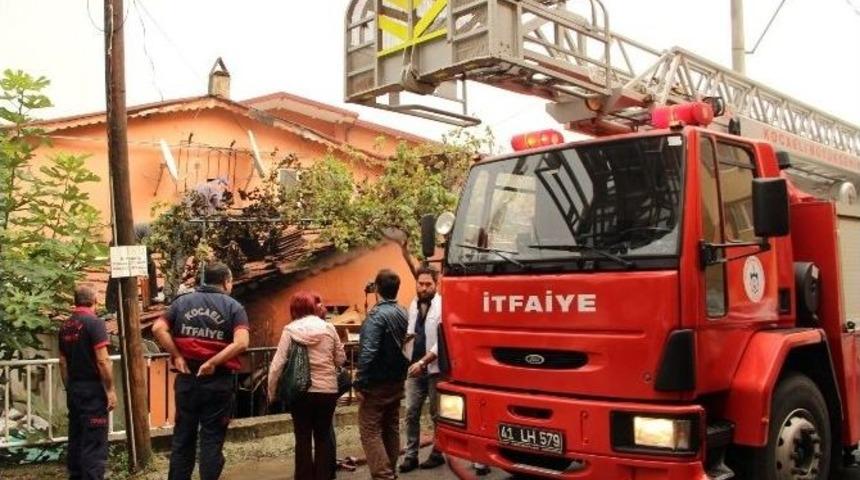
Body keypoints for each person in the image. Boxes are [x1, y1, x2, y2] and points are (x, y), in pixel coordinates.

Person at [152, 262, 249, 480]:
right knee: (211, 440)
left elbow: (158, 328)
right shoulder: (234, 307)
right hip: (218, 381)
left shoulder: (181, 303)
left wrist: (177, 355)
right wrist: (214, 362)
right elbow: (242, 343)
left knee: (182, 438)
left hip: (187, 378)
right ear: (226, 281)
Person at [267, 291, 346, 480]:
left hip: (300, 392)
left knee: (302, 437)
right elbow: (341, 358)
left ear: (294, 309)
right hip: (327, 391)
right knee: (323, 436)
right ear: (312, 307)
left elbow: (277, 365)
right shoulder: (329, 328)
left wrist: (272, 392)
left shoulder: (290, 330)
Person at [355, 269, 409, 480]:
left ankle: (383, 475)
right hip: (397, 380)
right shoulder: (404, 312)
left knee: (370, 430)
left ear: (377, 288)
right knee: (391, 426)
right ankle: (390, 471)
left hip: (377, 383)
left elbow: (368, 351)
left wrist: (359, 382)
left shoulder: (376, 316)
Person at [59, 285, 117, 480]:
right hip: (93, 390)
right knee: (94, 443)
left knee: (76, 437)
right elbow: (103, 360)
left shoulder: (65, 325)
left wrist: (69, 387)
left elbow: (63, 362)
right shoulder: (95, 323)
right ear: (95, 301)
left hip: (74, 388)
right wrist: (109, 389)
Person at [400, 266, 444, 472]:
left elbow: (442, 342)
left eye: (428, 284)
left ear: (436, 284)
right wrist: (408, 361)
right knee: (411, 412)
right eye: (421, 283)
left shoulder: (443, 305)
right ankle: (411, 455)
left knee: (437, 414)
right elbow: (410, 333)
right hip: (414, 368)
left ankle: (438, 452)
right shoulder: (412, 304)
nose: (424, 288)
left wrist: (423, 362)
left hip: (434, 368)